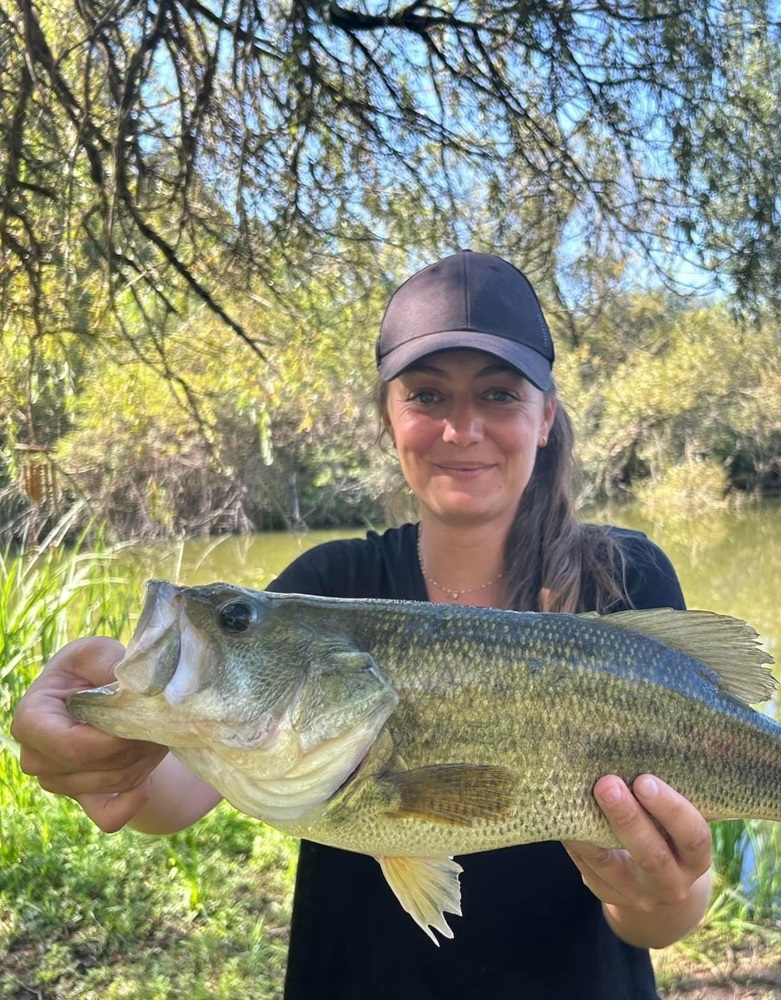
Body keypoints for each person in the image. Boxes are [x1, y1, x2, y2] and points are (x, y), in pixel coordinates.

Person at [12, 250, 713, 999]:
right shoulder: (327, 588)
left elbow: (673, 909)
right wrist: (107, 758)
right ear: (390, 418)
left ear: (546, 416)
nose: (462, 428)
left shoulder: (626, 580)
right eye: (428, 396)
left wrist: (660, 898)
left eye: (500, 394)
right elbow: (172, 791)